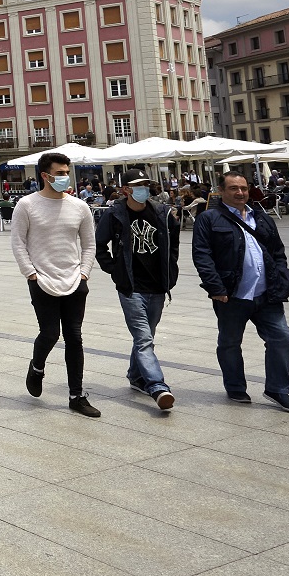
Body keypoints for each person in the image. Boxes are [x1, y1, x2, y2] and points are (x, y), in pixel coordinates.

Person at [191, 172, 289, 413]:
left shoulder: (261, 217)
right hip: (232, 295)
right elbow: (202, 256)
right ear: (221, 191)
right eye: (233, 188)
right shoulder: (209, 219)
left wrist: (283, 280)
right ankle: (235, 386)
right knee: (230, 343)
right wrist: (215, 287)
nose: (240, 192)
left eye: (243, 188)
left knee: (281, 339)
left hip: (267, 294)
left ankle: (278, 389)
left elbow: (278, 252)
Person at [10, 152, 100, 418]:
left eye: (67, 173)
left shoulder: (79, 207)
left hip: (74, 280)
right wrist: (30, 273)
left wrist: (84, 273)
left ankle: (76, 396)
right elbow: (18, 242)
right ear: (45, 175)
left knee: (74, 336)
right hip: (42, 279)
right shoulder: (27, 205)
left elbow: (89, 244)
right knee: (49, 333)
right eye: (60, 173)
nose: (65, 177)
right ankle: (37, 367)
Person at [96, 170, 181, 410]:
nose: (144, 188)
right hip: (131, 287)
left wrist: (171, 268)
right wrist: (114, 270)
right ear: (126, 190)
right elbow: (99, 244)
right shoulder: (114, 214)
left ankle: (135, 376)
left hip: (157, 286)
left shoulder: (162, 212)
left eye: (146, 184)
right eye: (138, 185)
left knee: (146, 336)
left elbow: (173, 242)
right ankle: (158, 387)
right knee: (144, 339)